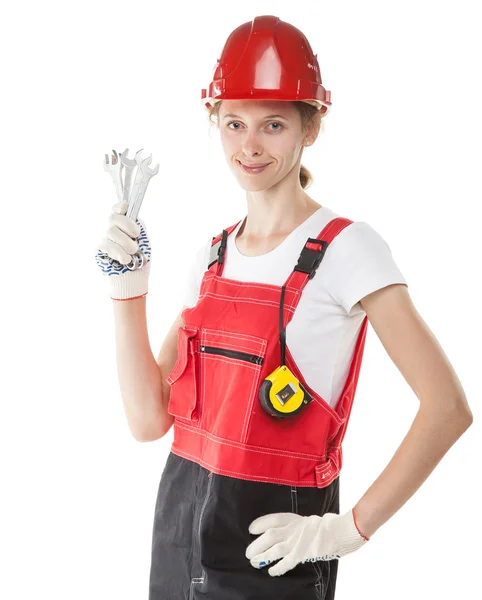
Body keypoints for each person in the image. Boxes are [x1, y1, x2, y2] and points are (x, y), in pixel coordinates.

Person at [95, 14, 473, 600]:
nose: (249, 146)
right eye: (234, 123)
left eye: (272, 125)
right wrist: (126, 290)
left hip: (274, 550)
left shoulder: (347, 249)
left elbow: (447, 407)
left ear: (311, 127)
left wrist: (345, 530)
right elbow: (149, 421)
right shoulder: (211, 257)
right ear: (214, 123)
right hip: (177, 540)